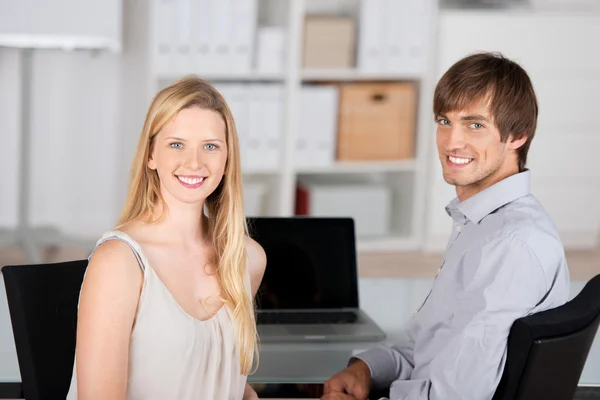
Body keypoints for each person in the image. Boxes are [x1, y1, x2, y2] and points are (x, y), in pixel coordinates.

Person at [321, 52, 571, 400]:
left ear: (517, 136)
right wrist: (366, 368)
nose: (451, 141)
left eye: (475, 125)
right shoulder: (481, 224)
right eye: (444, 121)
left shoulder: (508, 245)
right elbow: (431, 349)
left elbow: (453, 395)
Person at [66, 76, 266, 400]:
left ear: (228, 160)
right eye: (176, 144)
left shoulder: (246, 258)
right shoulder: (119, 262)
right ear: (151, 156)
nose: (194, 162)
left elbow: (219, 371)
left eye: (211, 146)